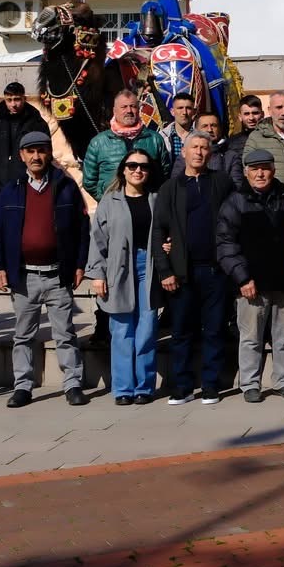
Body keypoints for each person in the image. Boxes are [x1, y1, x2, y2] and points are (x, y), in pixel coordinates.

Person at [0, 129, 90, 407]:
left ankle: (73, 384)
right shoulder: (10, 190)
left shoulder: (66, 186)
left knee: (65, 333)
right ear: (22, 156)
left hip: (58, 274)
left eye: (41, 150)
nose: (36, 156)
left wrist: (80, 263)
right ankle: (23, 386)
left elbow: (82, 229)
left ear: (49, 153)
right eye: (30, 151)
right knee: (23, 335)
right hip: (24, 276)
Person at [153, 131, 236, 405]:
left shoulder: (221, 182)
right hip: (181, 273)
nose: (199, 152)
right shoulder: (171, 188)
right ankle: (183, 387)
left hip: (215, 271)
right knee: (181, 333)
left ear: (210, 154)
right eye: (194, 147)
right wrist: (165, 270)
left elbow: (235, 218)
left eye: (204, 147)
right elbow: (159, 231)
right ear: (184, 153)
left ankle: (211, 385)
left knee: (214, 331)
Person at [216, 148, 284, 402]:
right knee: (251, 337)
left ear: (273, 170)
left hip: (283, 279)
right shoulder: (235, 201)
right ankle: (250, 384)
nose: (260, 173)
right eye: (255, 169)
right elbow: (225, 243)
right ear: (246, 172)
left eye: (265, 168)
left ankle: (283, 381)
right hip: (251, 283)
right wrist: (242, 278)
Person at [84, 147, 161, 405]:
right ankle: (123, 388)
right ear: (124, 170)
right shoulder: (110, 201)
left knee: (147, 328)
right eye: (132, 166)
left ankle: (144, 386)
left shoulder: (156, 199)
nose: (138, 170)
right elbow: (97, 240)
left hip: (147, 267)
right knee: (121, 330)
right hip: (118, 268)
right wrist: (97, 274)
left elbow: (166, 232)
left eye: (143, 166)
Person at [80, 89, 172, 203]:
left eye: (133, 106)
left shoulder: (154, 139)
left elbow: (165, 174)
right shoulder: (98, 142)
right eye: (124, 107)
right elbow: (89, 182)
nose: (129, 111)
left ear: (138, 109)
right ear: (114, 111)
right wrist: (107, 201)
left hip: (148, 206)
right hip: (112, 210)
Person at [0, 82, 41, 229]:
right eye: (9, 100)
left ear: (24, 99)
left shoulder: (35, 121)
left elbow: (45, 152)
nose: (13, 104)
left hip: (26, 185)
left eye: (17, 99)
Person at [163, 92, 200, 166]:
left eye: (188, 108)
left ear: (194, 112)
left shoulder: (201, 137)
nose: (184, 112)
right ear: (172, 112)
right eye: (180, 108)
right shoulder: (162, 137)